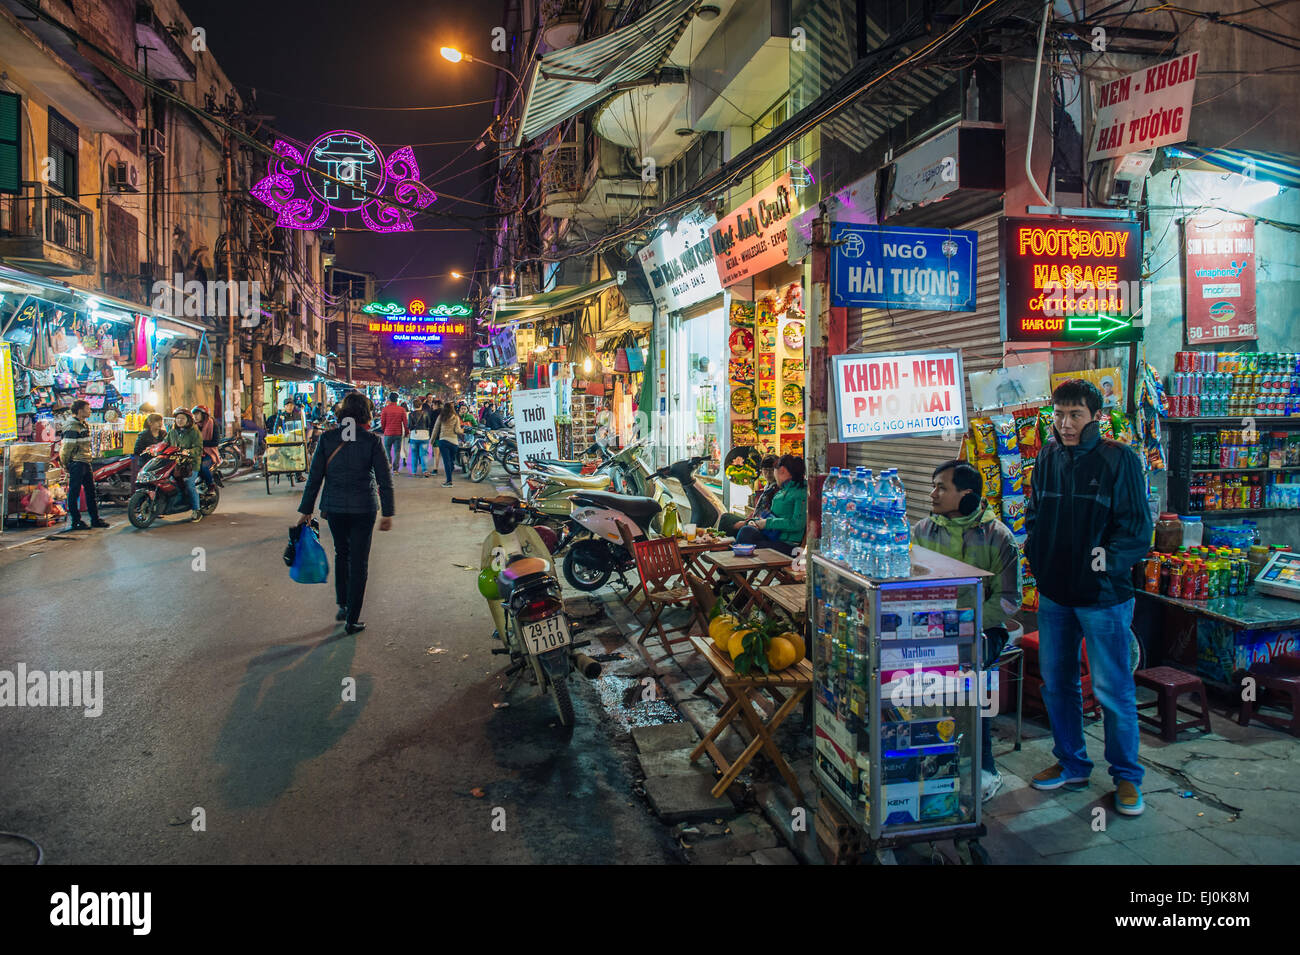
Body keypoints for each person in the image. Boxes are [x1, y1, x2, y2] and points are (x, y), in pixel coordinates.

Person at [1025, 378, 1153, 817]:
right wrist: (1038, 557)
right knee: (1058, 684)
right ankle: (1072, 763)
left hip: (1103, 596)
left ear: (1095, 415)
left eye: (1075, 414)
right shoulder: (1047, 455)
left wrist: (1102, 563)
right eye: (1059, 414)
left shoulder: (1120, 459)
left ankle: (1127, 778)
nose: (1065, 423)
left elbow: (1137, 530)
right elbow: (1035, 511)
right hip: (1055, 593)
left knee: (1112, 690)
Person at [913, 461, 1021, 803]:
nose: (933, 494)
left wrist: (964, 625)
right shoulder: (921, 532)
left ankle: (984, 768)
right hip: (930, 628)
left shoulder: (999, 537)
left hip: (984, 631)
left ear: (967, 494)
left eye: (942, 487)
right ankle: (925, 762)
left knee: (970, 679)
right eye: (933, 486)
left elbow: (1008, 601)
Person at [297, 391, 395, 635]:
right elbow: (385, 480)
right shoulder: (371, 441)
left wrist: (306, 510)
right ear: (366, 414)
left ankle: (342, 604)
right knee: (359, 562)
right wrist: (388, 513)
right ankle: (352, 618)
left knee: (342, 554)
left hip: (335, 507)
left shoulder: (328, 438)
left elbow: (315, 477)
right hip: (364, 508)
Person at [735, 455, 806, 555]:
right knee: (747, 531)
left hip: (788, 545)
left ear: (782, 470)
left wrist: (766, 523)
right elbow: (771, 516)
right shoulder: (783, 490)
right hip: (773, 536)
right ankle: (733, 568)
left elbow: (797, 524)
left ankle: (733, 568)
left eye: (773, 470)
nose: (771, 474)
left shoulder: (801, 492)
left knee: (745, 537)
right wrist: (754, 522)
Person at [60, 399, 108, 530]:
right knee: (74, 493)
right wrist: (66, 464)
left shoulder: (83, 424)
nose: (90, 411)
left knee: (91, 492)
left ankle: (95, 519)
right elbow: (66, 449)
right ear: (80, 410)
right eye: (88, 409)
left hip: (85, 462)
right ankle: (76, 521)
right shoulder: (72, 426)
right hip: (77, 463)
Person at [719, 456, 778, 536]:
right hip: (754, 520)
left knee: (726, 522)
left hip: (761, 524)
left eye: (771, 470)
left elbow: (766, 513)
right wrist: (747, 520)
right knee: (726, 517)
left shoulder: (776, 489)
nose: (768, 473)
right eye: (765, 470)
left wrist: (747, 522)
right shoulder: (768, 486)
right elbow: (758, 510)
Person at [166, 407, 204, 522]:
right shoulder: (172, 431)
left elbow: (199, 449)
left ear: (188, 420)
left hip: (191, 464)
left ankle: (196, 510)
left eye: (182, 418)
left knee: (189, 483)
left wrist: (188, 452)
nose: (179, 421)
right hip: (176, 463)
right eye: (177, 418)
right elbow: (165, 442)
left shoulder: (194, 432)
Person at [431, 401, 464, 488]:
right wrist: (463, 431)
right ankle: (451, 468)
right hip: (454, 443)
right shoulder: (456, 417)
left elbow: (435, 429)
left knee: (446, 462)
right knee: (451, 460)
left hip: (443, 441)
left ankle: (449, 481)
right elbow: (457, 430)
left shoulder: (441, 416)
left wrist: (431, 441)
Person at [192, 405, 220, 488]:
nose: (195, 417)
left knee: (203, 467)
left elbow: (215, 442)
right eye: (194, 415)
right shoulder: (192, 426)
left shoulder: (213, 424)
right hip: (195, 452)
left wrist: (200, 443)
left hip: (209, 453)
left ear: (204, 415)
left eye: (197, 414)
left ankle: (211, 485)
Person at [379, 391, 407, 472]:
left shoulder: (385, 409)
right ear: (397, 399)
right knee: (397, 451)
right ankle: (395, 469)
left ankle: (389, 464)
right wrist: (407, 431)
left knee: (387, 450)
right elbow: (405, 422)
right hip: (398, 433)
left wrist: (384, 430)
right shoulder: (401, 409)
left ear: (389, 399)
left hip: (388, 433)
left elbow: (382, 422)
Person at [407, 398, 434, 477]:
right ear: (421, 405)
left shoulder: (410, 414)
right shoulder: (426, 413)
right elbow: (429, 424)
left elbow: (409, 426)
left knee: (414, 454)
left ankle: (414, 471)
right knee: (424, 454)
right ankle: (425, 471)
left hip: (414, 436)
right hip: (424, 436)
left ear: (413, 406)